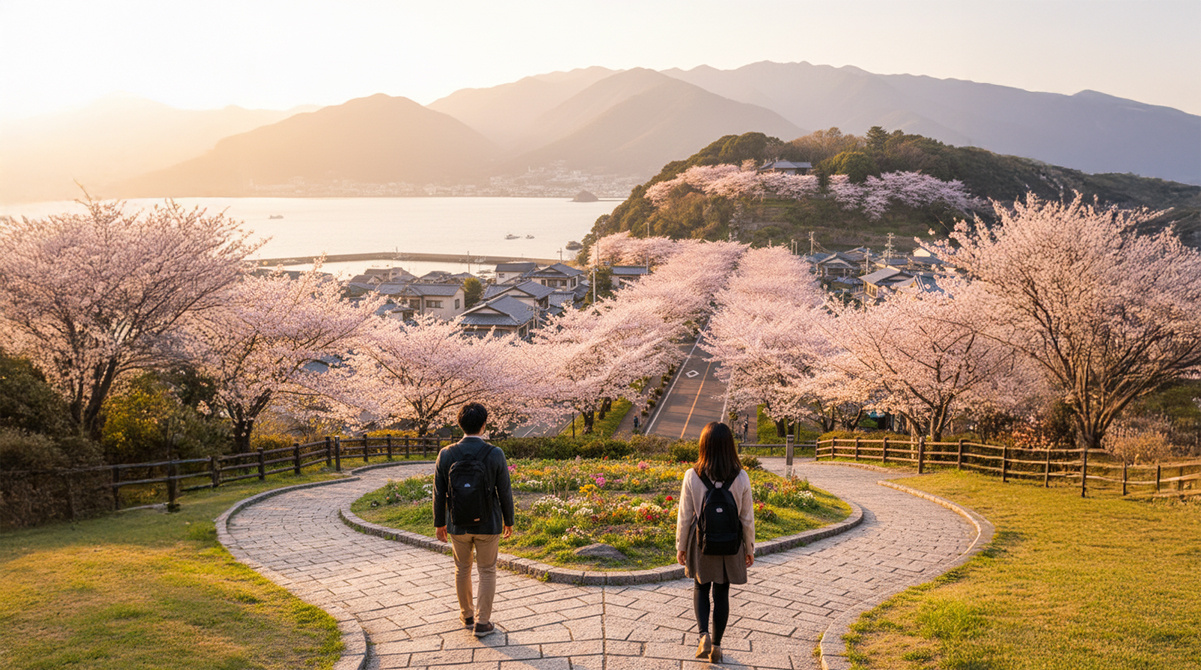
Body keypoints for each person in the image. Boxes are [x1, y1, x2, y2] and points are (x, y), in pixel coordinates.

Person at [675, 421, 754, 664]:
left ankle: (703, 635)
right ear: (730, 446)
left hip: (702, 542)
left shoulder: (692, 475)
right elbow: (746, 518)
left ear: (704, 446)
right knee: (722, 592)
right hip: (731, 544)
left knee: (701, 587)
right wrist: (749, 548)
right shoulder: (740, 476)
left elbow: (685, 515)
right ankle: (717, 646)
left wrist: (681, 545)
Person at [434, 403, 514, 637]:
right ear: (484, 424)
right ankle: (483, 623)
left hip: (458, 524)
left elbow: (439, 493)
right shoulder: (495, 453)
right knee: (487, 570)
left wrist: (440, 523)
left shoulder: (446, 453)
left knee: (462, 568)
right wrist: (508, 520)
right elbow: (504, 491)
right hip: (488, 523)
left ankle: (467, 615)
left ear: (460, 424)